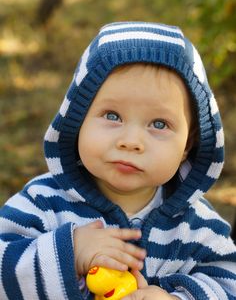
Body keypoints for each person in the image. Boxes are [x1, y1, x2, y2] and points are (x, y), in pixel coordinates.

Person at [0, 21, 236, 300]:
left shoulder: (199, 227)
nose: (131, 141)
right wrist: (69, 252)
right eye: (112, 116)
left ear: (188, 144)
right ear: (77, 120)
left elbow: (228, 286)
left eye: (159, 124)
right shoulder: (42, 204)